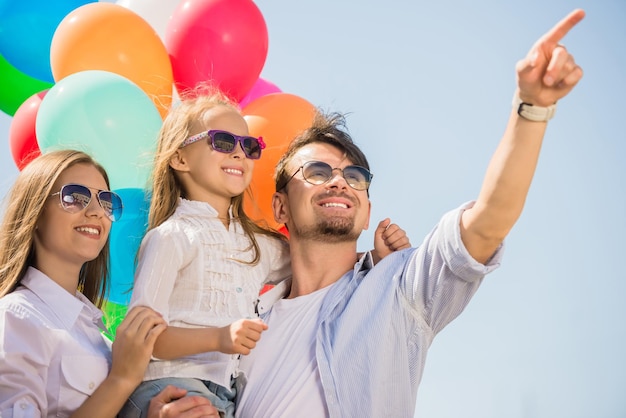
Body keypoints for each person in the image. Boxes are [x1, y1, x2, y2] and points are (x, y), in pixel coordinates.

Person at [234, 9, 586, 418]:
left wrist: (532, 107)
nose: (339, 182)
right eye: (317, 171)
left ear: (367, 213)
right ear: (280, 206)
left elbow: (489, 220)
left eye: (355, 176)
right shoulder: (243, 321)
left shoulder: (399, 290)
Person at [121, 90, 409, 418]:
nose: (240, 155)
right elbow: (145, 340)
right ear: (180, 159)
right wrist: (218, 338)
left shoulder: (257, 244)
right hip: (164, 385)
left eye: (249, 147)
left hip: (225, 394)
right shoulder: (170, 237)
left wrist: (373, 255)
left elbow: (318, 254)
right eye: (224, 142)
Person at [0, 150, 219, 418]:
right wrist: (121, 379)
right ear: (35, 210)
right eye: (75, 197)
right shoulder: (15, 316)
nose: (96, 212)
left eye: (105, 201)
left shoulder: (96, 335)